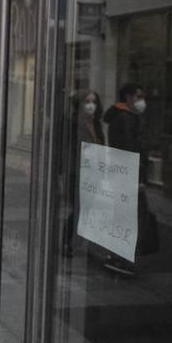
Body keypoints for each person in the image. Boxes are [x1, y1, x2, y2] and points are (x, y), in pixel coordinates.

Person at [101, 82, 157, 275]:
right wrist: (138, 179)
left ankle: (116, 255)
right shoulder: (125, 118)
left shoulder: (121, 116)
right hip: (128, 176)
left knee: (123, 216)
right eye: (139, 96)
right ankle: (123, 258)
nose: (142, 101)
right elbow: (130, 149)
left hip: (122, 175)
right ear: (128, 97)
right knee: (134, 218)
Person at [64, 90, 104, 256]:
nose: (91, 105)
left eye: (94, 102)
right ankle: (68, 241)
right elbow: (68, 149)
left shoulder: (96, 124)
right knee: (78, 208)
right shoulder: (72, 124)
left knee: (87, 208)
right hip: (77, 171)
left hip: (93, 172)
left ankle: (77, 241)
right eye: (87, 101)